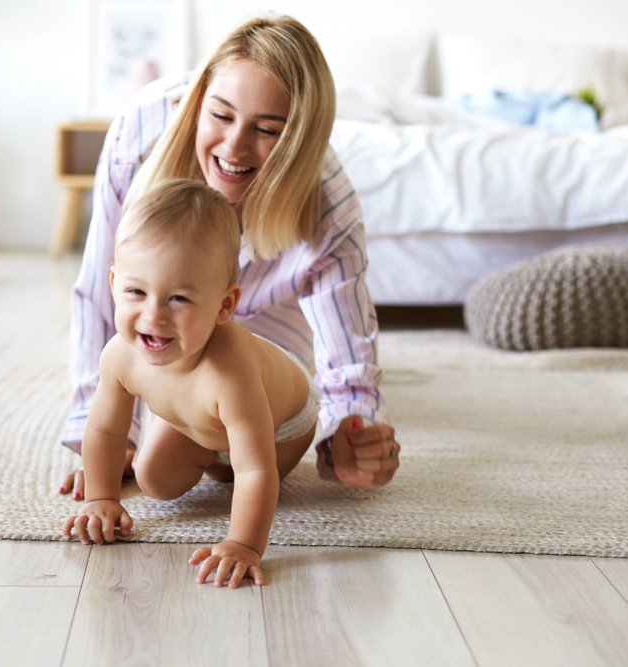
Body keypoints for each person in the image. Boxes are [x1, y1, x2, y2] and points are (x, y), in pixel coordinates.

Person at [59, 14, 400, 503]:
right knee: (158, 459)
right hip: (167, 305)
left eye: (267, 129)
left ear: (299, 141)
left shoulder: (327, 202)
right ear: (198, 103)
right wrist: (105, 442)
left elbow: (346, 351)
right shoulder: (139, 133)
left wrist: (351, 435)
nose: (234, 146)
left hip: (269, 321)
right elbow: (101, 291)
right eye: (221, 116)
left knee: (236, 395)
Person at [63, 179, 323, 588]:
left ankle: (218, 460)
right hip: (199, 419)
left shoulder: (229, 372)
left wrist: (243, 544)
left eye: (179, 299)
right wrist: (101, 498)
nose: (154, 316)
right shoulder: (119, 356)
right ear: (114, 284)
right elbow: (105, 429)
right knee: (154, 480)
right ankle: (208, 452)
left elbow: (256, 467)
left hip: (282, 424)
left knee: (240, 474)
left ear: (225, 305)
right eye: (136, 291)